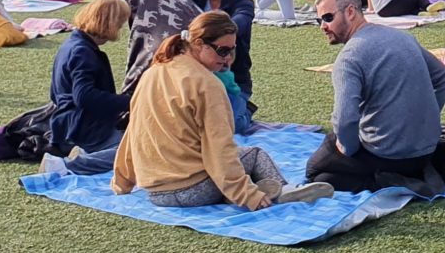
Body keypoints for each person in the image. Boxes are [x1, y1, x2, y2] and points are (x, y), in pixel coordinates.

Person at [107, 11, 328, 208]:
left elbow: (134, 132)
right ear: (200, 44)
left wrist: (122, 181)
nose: (228, 60)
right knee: (255, 154)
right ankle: (283, 190)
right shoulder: (207, 84)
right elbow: (220, 149)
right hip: (194, 191)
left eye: (232, 52)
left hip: (155, 193)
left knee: (225, 166)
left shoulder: (152, 73)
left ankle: (235, 191)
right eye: (222, 51)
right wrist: (247, 195)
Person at [306, 0, 445, 193]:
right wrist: (425, 121)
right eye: (319, 20)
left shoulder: (349, 58)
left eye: (328, 18)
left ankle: (389, 182)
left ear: (350, 12)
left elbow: (345, 119)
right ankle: (411, 175)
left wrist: (348, 149)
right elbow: (443, 77)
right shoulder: (402, 37)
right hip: (427, 150)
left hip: (389, 155)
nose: (323, 26)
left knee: (316, 172)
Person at [41, 0, 134, 175]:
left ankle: (79, 154)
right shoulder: (82, 52)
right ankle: (69, 166)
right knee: (135, 152)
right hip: (81, 127)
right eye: (120, 24)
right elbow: (84, 96)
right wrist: (129, 101)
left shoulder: (73, 44)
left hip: (66, 122)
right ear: (109, 23)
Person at [172, 0, 255, 111]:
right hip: (194, 79)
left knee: (229, 122)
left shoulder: (242, 3)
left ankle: (245, 110)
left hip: (232, 81)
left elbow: (239, 24)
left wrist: (210, 32)